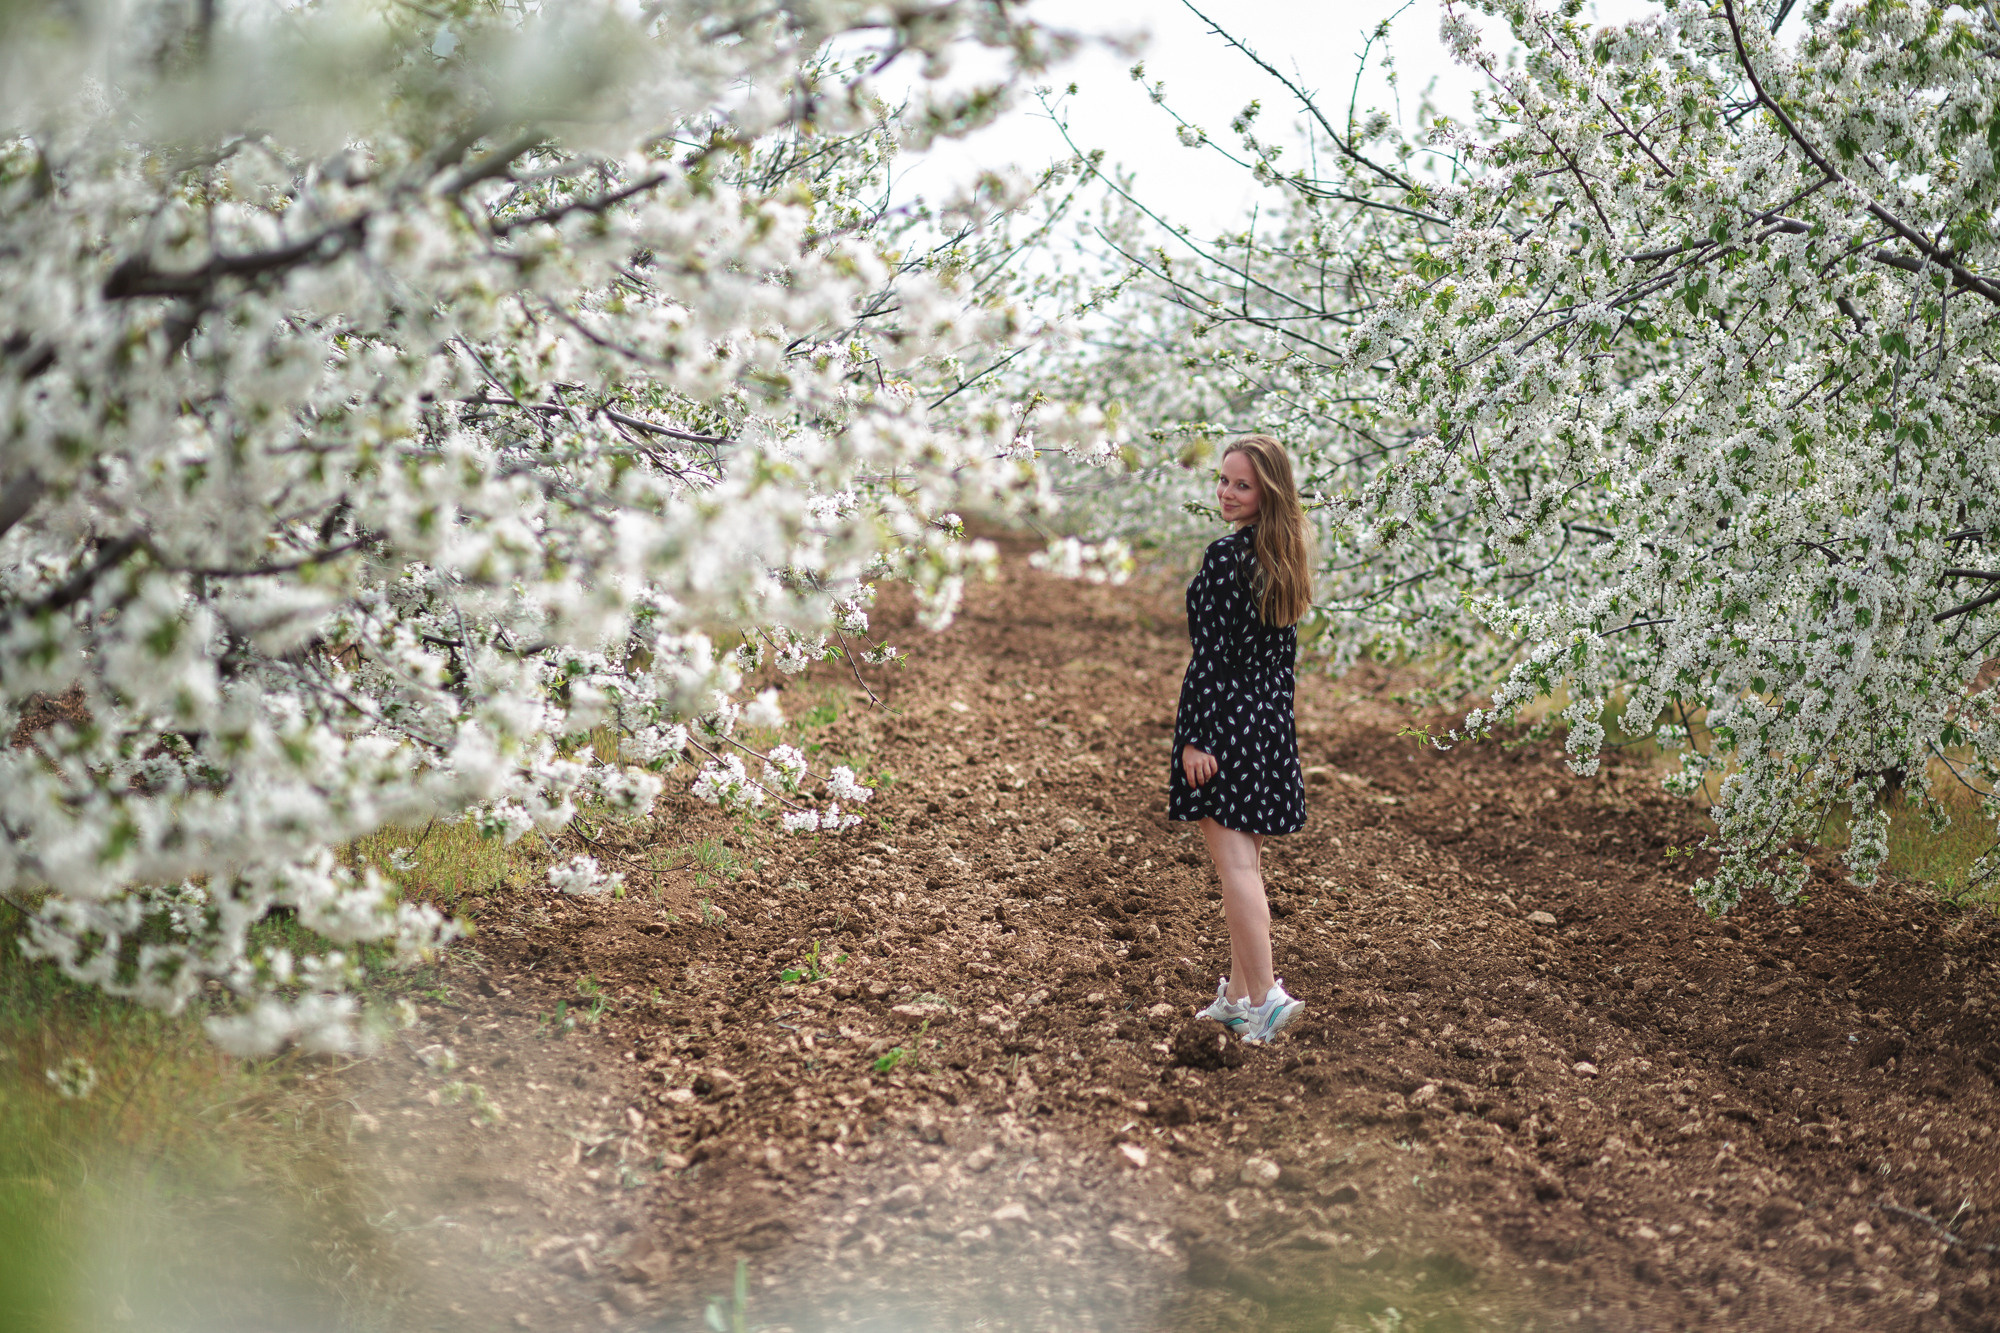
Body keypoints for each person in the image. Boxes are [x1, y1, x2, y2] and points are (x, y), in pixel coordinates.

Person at [1168, 434, 1312, 1044]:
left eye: (1242, 485)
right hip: (1266, 724)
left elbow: (1211, 659)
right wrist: (1273, 729)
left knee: (1235, 870)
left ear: (1267, 493)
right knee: (1244, 867)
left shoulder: (1227, 557)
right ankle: (1236, 998)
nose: (1227, 492)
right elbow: (1280, 663)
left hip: (1223, 726)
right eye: (1224, 480)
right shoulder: (1282, 557)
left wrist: (1195, 738)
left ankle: (1267, 998)